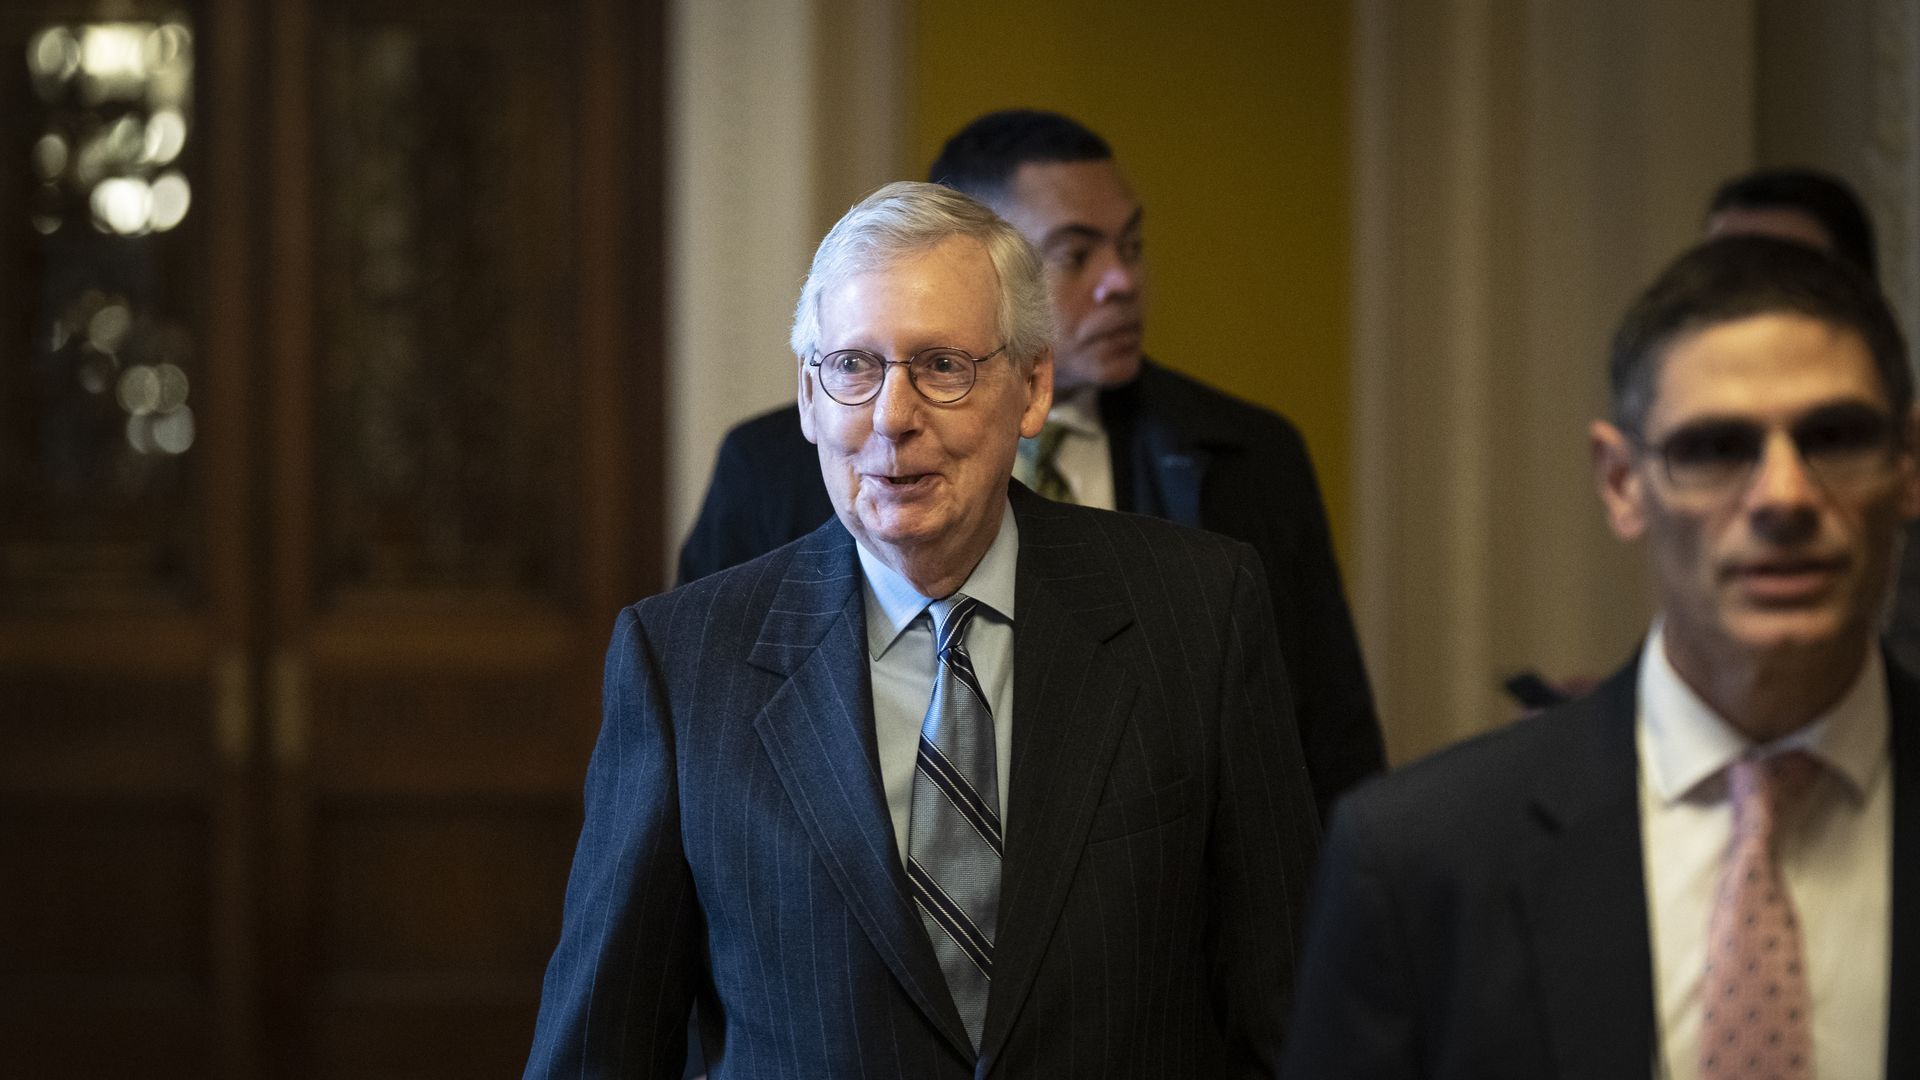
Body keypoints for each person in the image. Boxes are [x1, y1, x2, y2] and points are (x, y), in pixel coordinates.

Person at [526, 182, 1319, 1077]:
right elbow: (598, 1049)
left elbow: (1293, 1013)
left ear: (1032, 388)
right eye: (853, 367)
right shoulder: (683, 663)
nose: (892, 418)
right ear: (809, 397)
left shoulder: (1199, 612)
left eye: (943, 367)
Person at [1280, 236, 1920, 1078]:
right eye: (1715, 448)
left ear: (1909, 463)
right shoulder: (1418, 860)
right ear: (1621, 483)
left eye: (1833, 437)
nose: (1784, 497)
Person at [678, 109, 1383, 819]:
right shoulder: (775, 468)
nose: (1121, 282)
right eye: (1076, 255)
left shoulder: (1247, 456)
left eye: (1131, 247)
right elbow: (710, 721)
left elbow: (1328, 752)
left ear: (1034, 387)